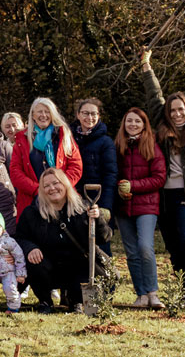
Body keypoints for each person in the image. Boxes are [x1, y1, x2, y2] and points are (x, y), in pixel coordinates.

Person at [140, 49, 185, 313]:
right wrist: (147, 68)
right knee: (173, 247)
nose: (177, 114)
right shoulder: (162, 129)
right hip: (163, 199)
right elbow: (154, 97)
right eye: (173, 111)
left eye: (181, 109)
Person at [14, 168, 109, 314]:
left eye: (55, 183)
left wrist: (98, 220)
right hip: (49, 265)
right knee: (34, 261)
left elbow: (105, 237)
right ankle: (45, 301)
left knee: (86, 265)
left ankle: (76, 301)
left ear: (65, 184)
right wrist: (30, 248)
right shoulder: (32, 213)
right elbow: (20, 237)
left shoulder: (83, 209)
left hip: (77, 265)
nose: (52, 188)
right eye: (46, 186)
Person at [114, 107, 166, 308]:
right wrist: (120, 187)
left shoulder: (151, 145)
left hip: (146, 206)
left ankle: (153, 292)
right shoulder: (118, 145)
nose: (133, 124)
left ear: (144, 124)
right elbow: (113, 172)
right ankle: (141, 294)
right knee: (132, 252)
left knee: (145, 247)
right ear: (124, 124)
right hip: (123, 207)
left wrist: (133, 186)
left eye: (137, 121)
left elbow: (159, 177)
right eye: (129, 121)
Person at [9, 98, 83, 217]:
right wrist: (38, 190)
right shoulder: (21, 139)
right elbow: (15, 171)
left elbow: (76, 166)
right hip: (32, 199)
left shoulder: (64, 135)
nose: (43, 115)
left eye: (47, 111)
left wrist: (60, 187)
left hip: (63, 198)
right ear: (33, 115)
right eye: (39, 112)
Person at [71, 98, 118, 254]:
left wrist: (106, 205)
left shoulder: (105, 142)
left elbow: (110, 175)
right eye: (85, 113)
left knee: (101, 244)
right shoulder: (69, 138)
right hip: (75, 198)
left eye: (93, 114)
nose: (89, 117)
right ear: (78, 115)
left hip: (97, 199)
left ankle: (106, 277)